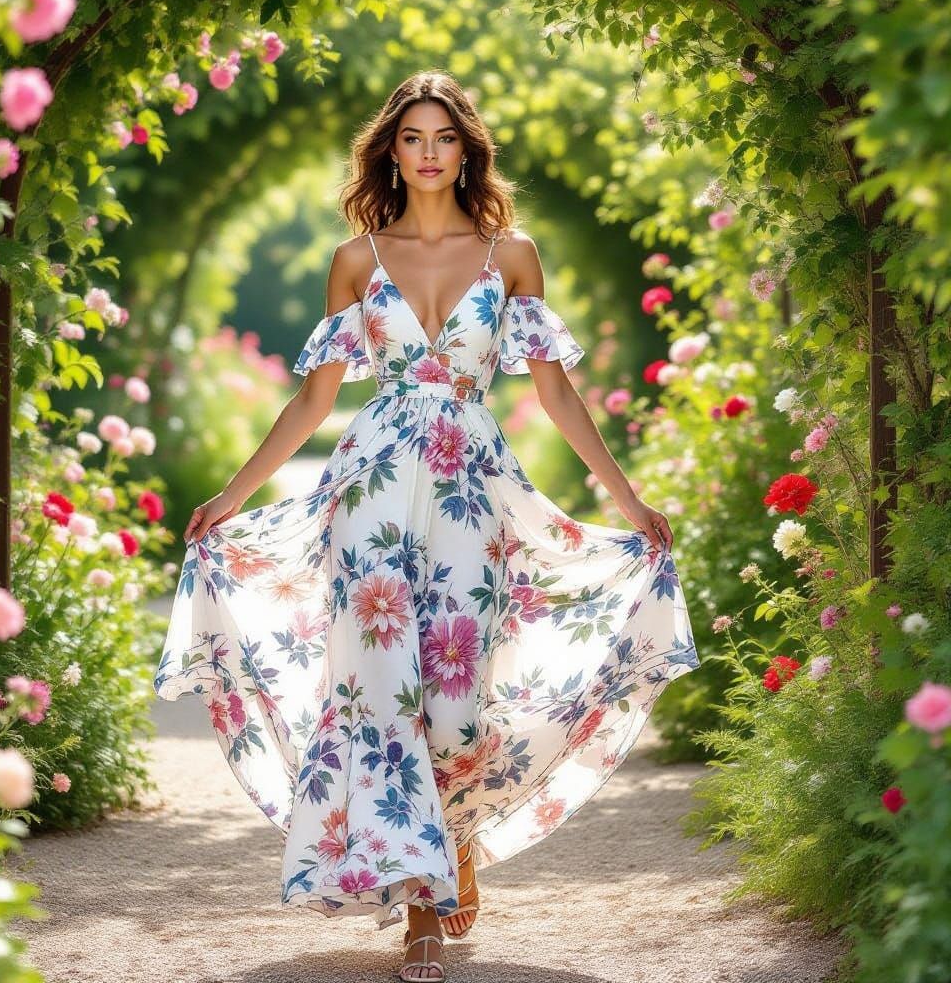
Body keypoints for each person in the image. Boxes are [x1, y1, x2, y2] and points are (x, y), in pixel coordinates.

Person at [154, 69, 700, 982]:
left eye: (444, 137)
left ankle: (454, 844)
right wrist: (234, 496)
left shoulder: (511, 255)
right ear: (392, 153)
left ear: (466, 150)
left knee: (452, 703)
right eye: (412, 138)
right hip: (370, 492)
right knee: (379, 698)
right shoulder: (356, 260)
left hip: (471, 497)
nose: (429, 152)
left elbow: (556, 392)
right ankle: (420, 907)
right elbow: (313, 401)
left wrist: (628, 497)